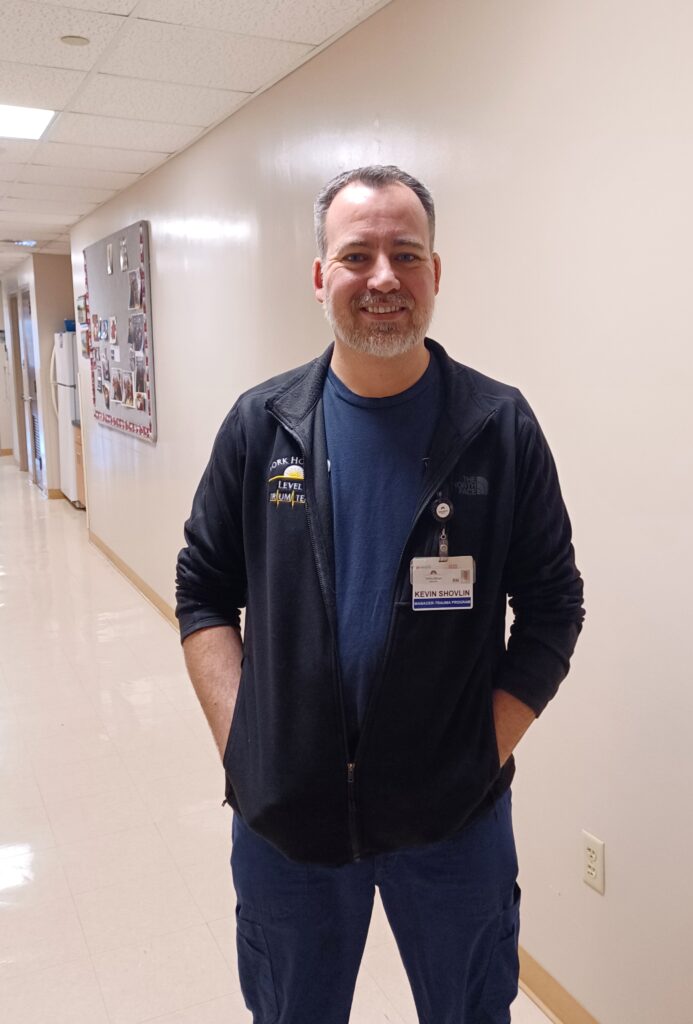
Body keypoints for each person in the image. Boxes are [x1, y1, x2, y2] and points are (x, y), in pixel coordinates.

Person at [175, 165, 584, 1024]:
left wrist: (481, 750)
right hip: (289, 819)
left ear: (437, 272)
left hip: (453, 823)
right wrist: (244, 745)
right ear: (321, 277)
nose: (384, 278)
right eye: (357, 255)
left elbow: (553, 608)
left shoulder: (498, 429)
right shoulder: (262, 426)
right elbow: (204, 588)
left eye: (406, 253)